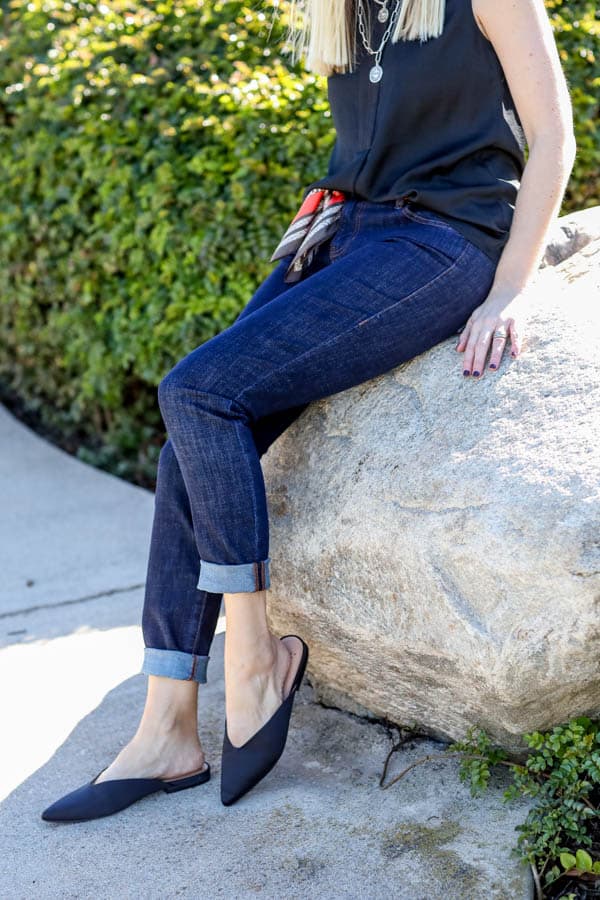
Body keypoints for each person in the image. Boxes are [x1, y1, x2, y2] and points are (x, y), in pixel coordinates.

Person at [42, 0, 576, 822]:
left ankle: (254, 660)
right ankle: (168, 728)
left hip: (444, 240)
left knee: (196, 390)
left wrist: (510, 291)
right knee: (188, 439)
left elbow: (554, 138)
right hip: (346, 233)